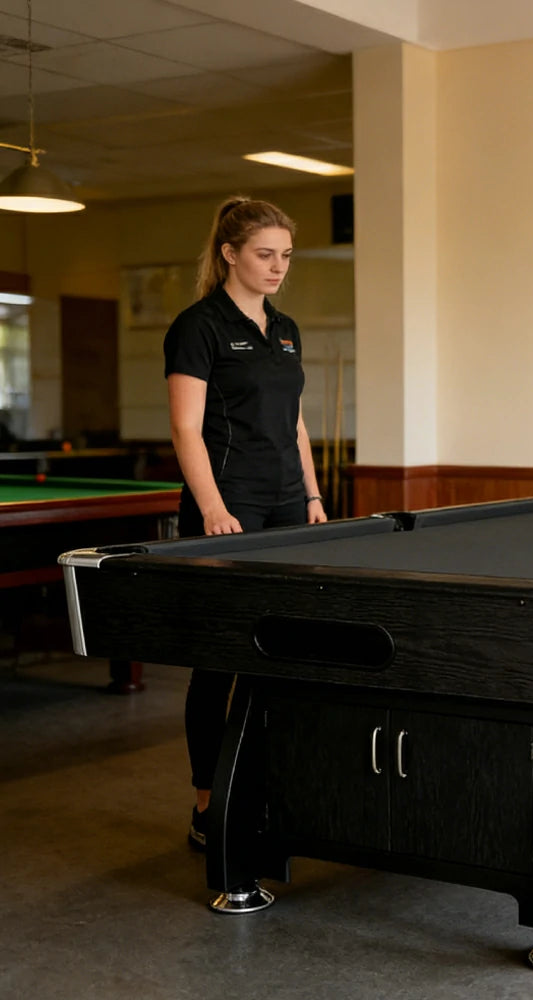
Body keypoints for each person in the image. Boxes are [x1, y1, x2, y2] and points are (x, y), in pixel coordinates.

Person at [163, 195, 327, 849]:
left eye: (285, 255)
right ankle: (209, 803)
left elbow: (295, 424)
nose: (278, 266)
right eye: (265, 254)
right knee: (219, 660)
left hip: (288, 502)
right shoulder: (198, 327)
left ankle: (267, 786)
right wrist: (211, 507)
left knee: (283, 651)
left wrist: (312, 493)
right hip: (228, 505)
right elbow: (185, 427)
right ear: (230, 254)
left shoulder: (285, 329)